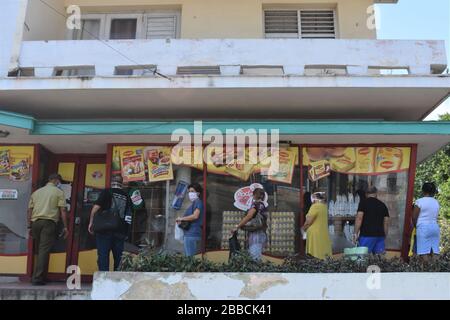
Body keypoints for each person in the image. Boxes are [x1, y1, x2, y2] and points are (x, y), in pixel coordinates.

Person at [27, 173, 68, 285]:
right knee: (44, 251)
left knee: (39, 251)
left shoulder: (37, 192)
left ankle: (40, 275)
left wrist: (29, 225)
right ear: (55, 180)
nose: (59, 184)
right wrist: (65, 226)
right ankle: (37, 278)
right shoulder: (58, 192)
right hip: (48, 223)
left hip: (35, 223)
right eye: (59, 181)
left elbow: (29, 210)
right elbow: (63, 210)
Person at [88, 175, 132, 271]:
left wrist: (91, 222)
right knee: (119, 257)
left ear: (112, 182)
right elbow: (128, 216)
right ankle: (116, 280)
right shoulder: (127, 196)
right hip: (120, 230)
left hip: (104, 229)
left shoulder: (106, 192)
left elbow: (95, 208)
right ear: (122, 183)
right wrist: (127, 231)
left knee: (103, 255)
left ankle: (104, 280)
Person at [231, 188, 268, 261]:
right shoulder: (262, 205)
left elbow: (249, 216)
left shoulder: (255, 205)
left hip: (256, 235)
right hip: (261, 234)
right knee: (256, 256)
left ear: (254, 195)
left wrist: (237, 226)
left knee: (254, 259)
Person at [353, 186, 389, 254]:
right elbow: (386, 222)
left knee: (363, 259)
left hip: (366, 235)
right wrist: (384, 235)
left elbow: (359, 218)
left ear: (366, 194)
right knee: (379, 259)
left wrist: (355, 233)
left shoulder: (363, 203)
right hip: (379, 236)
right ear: (376, 193)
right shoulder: (383, 205)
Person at [413, 182, 440, 260]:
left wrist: (416, 226)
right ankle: (435, 268)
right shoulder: (436, 202)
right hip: (435, 227)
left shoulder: (419, 201)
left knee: (423, 252)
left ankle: (427, 270)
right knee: (435, 251)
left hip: (423, 227)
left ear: (423, 191)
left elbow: (414, 217)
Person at [176, 183, 204, 257]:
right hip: (189, 233)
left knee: (190, 258)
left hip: (192, 234)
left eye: (192, 191)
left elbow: (195, 216)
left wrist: (181, 218)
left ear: (198, 193)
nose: (190, 193)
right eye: (189, 192)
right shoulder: (194, 203)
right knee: (190, 257)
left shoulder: (198, 202)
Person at [302, 192, 332, 260]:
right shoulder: (324, 206)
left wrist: (302, 229)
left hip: (315, 235)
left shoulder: (315, 206)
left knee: (314, 255)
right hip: (323, 233)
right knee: (323, 254)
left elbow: (308, 222)